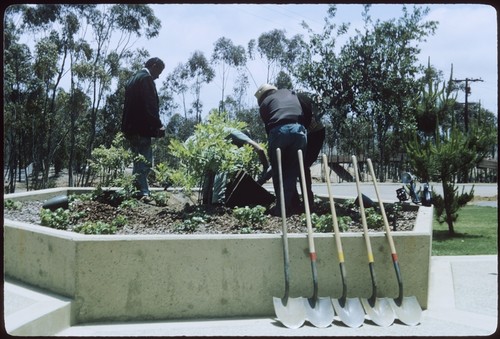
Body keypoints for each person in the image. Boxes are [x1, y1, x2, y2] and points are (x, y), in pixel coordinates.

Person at [255, 84, 311, 215]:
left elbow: (268, 127)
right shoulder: (290, 93)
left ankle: (281, 209)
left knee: (278, 171)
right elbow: (305, 112)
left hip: (278, 131)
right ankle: (290, 205)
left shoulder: (265, 103)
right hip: (299, 130)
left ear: (262, 97)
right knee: (292, 171)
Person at [121, 57, 166, 201]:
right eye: (159, 71)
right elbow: (149, 105)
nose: (158, 76)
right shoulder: (146, 79)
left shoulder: (132, 79)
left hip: (130, 127)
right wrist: (158, 124)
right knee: (144, 161)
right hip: (141, 128)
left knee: (137, 160)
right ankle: (143, 192)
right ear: (153, 66)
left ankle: (136, 190)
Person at [209, 127, 270, 205]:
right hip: (214, 149)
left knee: (215, 171)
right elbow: (260, 150)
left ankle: (208, 202)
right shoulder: (239, 135)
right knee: (222, 168)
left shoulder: (228, 138)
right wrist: (266, 167)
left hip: (209, 147)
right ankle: (217, 203)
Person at [297, 93, 326, 211]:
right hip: (304, 133)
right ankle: (304, 200)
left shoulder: (299, 101)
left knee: (303, 166)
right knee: (299, 166)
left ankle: (308, 202)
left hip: (315, 133)